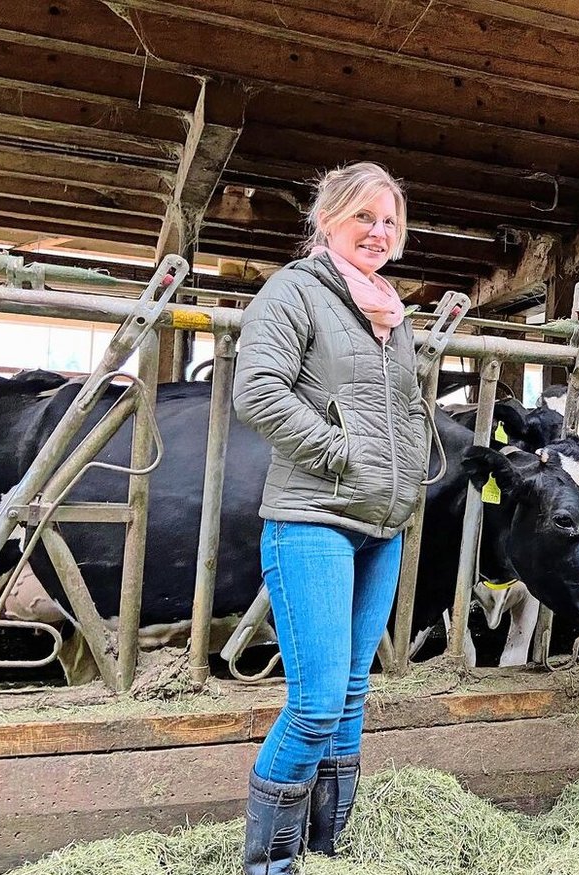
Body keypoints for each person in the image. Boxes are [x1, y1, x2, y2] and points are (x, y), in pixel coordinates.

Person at [233, 162, 428, 873]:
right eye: (364, 217)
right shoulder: (295, 292)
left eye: (389, 220)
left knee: (350, 695)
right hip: (313, 515)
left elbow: (407, 404)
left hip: (384, 524)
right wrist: (342, 453)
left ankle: (326, 849)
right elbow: (256, 390)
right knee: (315, 701)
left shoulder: (391, 310)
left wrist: (408, 472)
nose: (378, 231)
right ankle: (269, 866)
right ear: (328, 219)